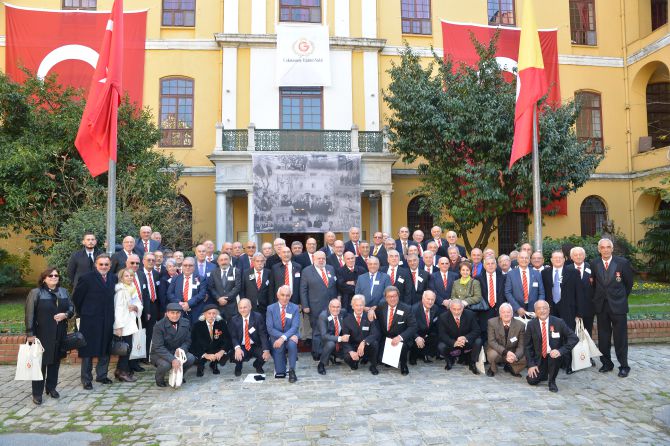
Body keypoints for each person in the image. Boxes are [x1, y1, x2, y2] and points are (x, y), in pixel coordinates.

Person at [24, 267, 74, 405]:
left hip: (59, 332)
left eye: (56, 275)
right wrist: (30, 333)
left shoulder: (63, 292)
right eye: (50, 275)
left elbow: (71, 308)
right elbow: (29, 314)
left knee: (55, 361)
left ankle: (51, 388)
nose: (53, 277)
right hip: (41, 334)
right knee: (40, 364)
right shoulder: (36, 293)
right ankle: (37, 393)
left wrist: (66, 315)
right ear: (44, 278)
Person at [72, 254, 117, 390]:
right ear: (96, 265)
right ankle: (86, 379)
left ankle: (102, 375)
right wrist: (85, 311)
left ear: (110, 266)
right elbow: (77, 298)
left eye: (106, 264)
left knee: (105, 347)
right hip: (90, 319)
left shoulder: (113, 278)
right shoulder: (86, 278)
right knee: (88, 349)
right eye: (101, 264)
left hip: (108, 318)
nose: (104, 267)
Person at [591, 238, 634, 377]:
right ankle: (607, 363)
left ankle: (624, 366)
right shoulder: (594, 263)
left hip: (618, 306)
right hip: (602, 306)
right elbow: (594, 284)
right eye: (602, 247)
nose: (605, 250)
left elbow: (628, 284)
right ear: (599, 250)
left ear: (612, 248)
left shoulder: (622, 263)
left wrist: (620, 298)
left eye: (608, 247)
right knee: (603, 337)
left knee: (620, 337)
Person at [542, 250, 583, 374]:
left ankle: (568, 363)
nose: (558, 260)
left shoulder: (573, 272)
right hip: (551, 309)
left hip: (568, 309)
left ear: (564, 259)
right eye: (555, 258)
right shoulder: (545, 273)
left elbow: (579, 293)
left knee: (567, 335)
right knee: (553, 336)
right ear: (551, 260)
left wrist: (579, 312)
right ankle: (555, 362)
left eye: (560, 258)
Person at [525, 300, 578, 392]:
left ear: (549, 310)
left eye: (545, 308)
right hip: (540, 357)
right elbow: (527, 346)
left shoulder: (558, 322)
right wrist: (531, 365)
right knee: (532, 381)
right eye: (539, 309)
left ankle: (552, 381)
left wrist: (560, 351)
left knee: (554, 356)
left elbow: (574, 338)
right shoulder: (531, 324)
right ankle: (544, 373)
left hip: (553, 356)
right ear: (535, 311)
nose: (542, 311)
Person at [370, 286, 417, 375]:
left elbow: (413, 326)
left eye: (395, 296)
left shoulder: (406, 309)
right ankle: (388, 360)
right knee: (381, 360)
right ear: (386, 298)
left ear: (398, 296)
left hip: (400, 338)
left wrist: (400, 337)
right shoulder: (381, 307)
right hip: (386, 338)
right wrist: (371, 310)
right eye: (389, 296)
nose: (392, 299)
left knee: (403, 346)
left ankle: (403, 365)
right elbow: (373, 310)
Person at [300, 251, 338, 360]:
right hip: (315, 306)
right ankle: (316, 353)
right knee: (317, 331)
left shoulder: (330, 268)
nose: (321, 260)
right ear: (313, 259)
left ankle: (329, 352)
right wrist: (305, 305)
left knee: (330, 330)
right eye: (319, 258)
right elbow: (303, 290)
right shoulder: (306, 271)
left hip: (331, 307)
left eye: (323, 258)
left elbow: (334, 286)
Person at [150, 302, 196, 387]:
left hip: (178, 351)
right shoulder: (159, 326)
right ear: (167, 313)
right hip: (160, 354)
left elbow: (188, 341)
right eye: (172, 313)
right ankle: (159, 378)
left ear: (181, 313)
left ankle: (180, 374)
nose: (175, 315)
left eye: (177, 313)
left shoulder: (185, 322)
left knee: (190, 358)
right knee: (166, 365)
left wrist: (182, 350)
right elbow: (158, 347)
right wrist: (173, 359)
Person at [113, 268, 142, 383]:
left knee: (128, 349)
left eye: (131, 276)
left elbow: (138, 304)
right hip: (123, 325)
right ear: (121, 278)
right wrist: (118, 327)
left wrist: (136, 308)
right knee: (125, 349)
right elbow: (117, 310)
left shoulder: (132, 289)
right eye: (127, 276)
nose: (130, 278)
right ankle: (123, 372)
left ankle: (120, 371)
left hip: (131, 323)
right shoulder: (120, 291)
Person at [266, 286, 300, 382]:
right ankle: (281, 363)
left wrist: (284, 338)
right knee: (280, 372)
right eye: (282, 295)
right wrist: (282, 338)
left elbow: (295, 327)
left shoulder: (295, 308)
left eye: (287, 295)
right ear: (277, 295)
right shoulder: (270, 309)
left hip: (290, 336)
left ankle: (292, 370)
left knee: (292, 344)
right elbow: (270, 328)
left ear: (290, 296)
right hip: (276, 338)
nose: (285, 298)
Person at [437, 299, 481, 374]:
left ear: (463, 308)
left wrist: (465, 337)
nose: (457, 312)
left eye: (459, 309)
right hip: (452, 342)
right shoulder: (443, 317)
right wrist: (454, 342)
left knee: (478, 341)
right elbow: (442, 334)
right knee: (441, 346)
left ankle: (472, 363)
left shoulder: (470, 314)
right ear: (450, 308)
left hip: (466, 342)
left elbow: (477, 330)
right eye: (454, 309)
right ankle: (449, 361)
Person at [230, 298, 271, 376]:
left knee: (265, 353)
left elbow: (263, 334)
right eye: (240, 308)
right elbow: (234, 337)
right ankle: (238, 367)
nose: (242, 310)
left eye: (245, 307)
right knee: (237, 354)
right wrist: (237, 348)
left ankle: (257, 365)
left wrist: (266, 350)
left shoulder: (257, 317)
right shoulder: (234, 320)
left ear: (250, 307)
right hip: (242, 345)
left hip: (255, 345)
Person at [342, 295, 380, 375]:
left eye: (361, 305)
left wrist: (364, 342)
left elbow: (375, 333)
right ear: (352, 306)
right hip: (354, 346)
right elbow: (345, 340)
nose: (359, 308)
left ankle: (373, 365)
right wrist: (351, 351)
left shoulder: (369, 316)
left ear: (364, 306)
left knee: (375, 343)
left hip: (366, 346)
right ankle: (354, 362)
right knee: (347, 356)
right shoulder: (346, 320)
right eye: (356, 305)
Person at [190, 304, 232, 377]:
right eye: (209, 313)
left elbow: (227, 339)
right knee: (198, 354)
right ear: (204, 314)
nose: (211, 316)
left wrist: (221, 351)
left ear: (217, 314)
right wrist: (205, 355)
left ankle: (214, 364)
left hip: (216, 349)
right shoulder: (197, 325)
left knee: (228, 351)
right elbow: (194, 343)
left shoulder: (221, 323)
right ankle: (200, 366)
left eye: (214, 313)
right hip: (202, 350)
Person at [486, 303, 526, 377]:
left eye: (508, 312)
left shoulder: (521, 325)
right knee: (492, 354)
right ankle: (492, 368)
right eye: (503, 312)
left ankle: (511, 367)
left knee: (526, 356)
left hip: (512, 351)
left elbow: (521, 345)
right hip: (498, 350)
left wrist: (515, 356)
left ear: (512, 314)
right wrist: (506, 352)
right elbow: (491, 341)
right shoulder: (492, 322)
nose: (506, 314)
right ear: (500, 314)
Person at [137, 252, 163, 366]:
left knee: (150, 332)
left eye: (153, 260)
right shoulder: (138, 273)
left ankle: (147, 355)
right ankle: (138, 356)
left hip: (154, 305)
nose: (151, 262)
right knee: (140, 331)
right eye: (149, 260)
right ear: (143, 261)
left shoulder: (157, 274)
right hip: (141, 306)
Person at [504, 251, 545, 317]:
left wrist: (538, 307)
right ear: (517, 259)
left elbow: (541, 293)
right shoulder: (511, 274)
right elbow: (508, 292)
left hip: (534, 311)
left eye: (526, 258)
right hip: (517, 311)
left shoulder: (536, 273)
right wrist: (517, 308)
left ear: (529, 260)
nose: (524, 260)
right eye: (522, 258)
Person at [476, 256, 506, 346]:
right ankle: (486, 357)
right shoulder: (477, 278)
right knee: (485, 336)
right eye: (488, 264)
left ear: (496, 265)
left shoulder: (504, 278)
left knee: (500, 335)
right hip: (484, 311)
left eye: (492, 263)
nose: (490, 266)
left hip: (500, 311)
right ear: (484, 266)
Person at [167, 257, 207, 322]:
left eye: (190, 265)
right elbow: (170, 294)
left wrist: (188, 304)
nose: (187, 267)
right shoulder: (175, 278)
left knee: (195, 331)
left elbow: (202, 294)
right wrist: (180, 303)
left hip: (195, 311)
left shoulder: (201, 279)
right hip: (179, 311)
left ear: (194, 267)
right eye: (185, 265)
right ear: (182, 267)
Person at [567, 246, 596, 338]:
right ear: (571, 257)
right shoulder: (566, 269)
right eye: (575, 255)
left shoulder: (592, 268)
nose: (578, 257)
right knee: (572, 332)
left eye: (581, 254)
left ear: (585, 256)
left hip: (588, 307)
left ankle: (587, 351)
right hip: (572, 308)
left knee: (587, 333)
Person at [207, 252, 241, 321]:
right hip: (218, 306)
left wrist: (226, 298)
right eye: (221, 260)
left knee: (232, 328)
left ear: (229, 260)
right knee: (219, 329)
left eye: (226, 259)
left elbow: (237, 287)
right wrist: (218, 298)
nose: (223, 262)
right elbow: (211, 287)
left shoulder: (236, 271)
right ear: (218, 262)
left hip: (232, 306)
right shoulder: (213, 273)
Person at [316, 299, 347, 375]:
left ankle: (334, 356)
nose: (336, 309)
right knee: (331, 344)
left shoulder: (343, 312)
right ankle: (321, 364)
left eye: (338, 307)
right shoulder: (323, 316)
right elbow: (324, 335)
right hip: (323, 341)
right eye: (333, 307)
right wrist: (340, 338)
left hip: (336, 339)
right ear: (329, 307)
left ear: (340, 307)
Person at [410, 290, 440, 365]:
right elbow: (410, 327)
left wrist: (429, 334)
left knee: (436, 337)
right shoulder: (414, 309)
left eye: (432, 300)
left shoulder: (435, 308)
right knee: (415, 340)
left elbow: (434, 325)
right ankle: (413, 356)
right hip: (415, 333)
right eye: (428, 299)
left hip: (427, 333)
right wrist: (417, 337)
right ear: (423, 298)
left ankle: (425, 353)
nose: (430, 302)